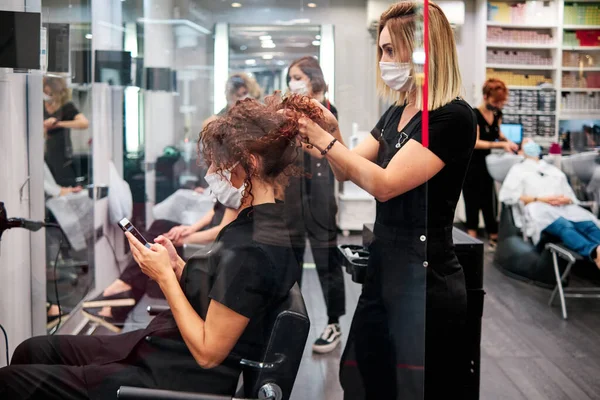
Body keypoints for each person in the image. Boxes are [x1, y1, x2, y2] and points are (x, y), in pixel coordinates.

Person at [0, 96, 328, 399]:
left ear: (251, 165)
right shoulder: (260, 222)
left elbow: (208, 351)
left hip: (173, 375)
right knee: (33, 350)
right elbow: (226, 295)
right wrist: (176, 267)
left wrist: (165, 280)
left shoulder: (253, 248)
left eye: (221, 164)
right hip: (165, 349)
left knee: (10, 381)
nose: (213, 173)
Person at [296, 3, 476, 398]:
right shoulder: (396, 112)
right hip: (386, 269)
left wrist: (325, 139)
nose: (383, 60)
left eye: (390, 50)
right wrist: (330, 129)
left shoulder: (453, 118)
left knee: (410, 388)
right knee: (360, 377)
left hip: (425, 280)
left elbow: (385, 184)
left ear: (422, 52)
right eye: (381, 51)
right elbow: (348, 169)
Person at [81, 204, 239, 332]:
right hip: (204, 232)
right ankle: (119, 301)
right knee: (159, 225)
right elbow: (215, 210)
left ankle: (120, 294)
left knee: (153, 242)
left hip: (215, 244)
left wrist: (185, 239)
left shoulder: (238, 189)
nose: (210, 171)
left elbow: (222, 230)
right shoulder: (228, 187)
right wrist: (188, 229)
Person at [284, 56, 346, 354]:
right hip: (293, 201)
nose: (292, 82)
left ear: (312, 78)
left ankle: (334, 323)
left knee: (327, 263)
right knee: (290, 264)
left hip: (320, 200)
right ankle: (288, 322)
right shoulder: (291, 113)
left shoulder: (327, 112)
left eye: (297, 76)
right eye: (290, 77)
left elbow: (328, 152)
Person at [499, 138, 600, 268]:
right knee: (565, 226)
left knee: (588, 224)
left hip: (564, 206)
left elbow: (570, 195)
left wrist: (566, 199)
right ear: (520, 151)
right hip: (538, 207)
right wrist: (541, 199)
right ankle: (594, 252)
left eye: (532, 142)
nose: (530, 144)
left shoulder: (552, 170)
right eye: (526, 142)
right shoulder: (518, 170)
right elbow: (509, 196)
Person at [462, 78, 518, 248]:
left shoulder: (497, 115)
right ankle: (470, 242)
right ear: (486, 97)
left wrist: (509, 141)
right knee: (472, 202)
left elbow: (497, 132)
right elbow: (475, 142)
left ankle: (494, 237)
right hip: (471, 165)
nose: (499, 105)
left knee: (489, 201)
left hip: (488, 165)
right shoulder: (474, 115)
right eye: (496, 101)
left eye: (501, 102)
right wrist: (501, 144)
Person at [43, 76, 89, 187]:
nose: (48, 96)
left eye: (51, 93)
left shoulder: (66, 107)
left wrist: (58, 124)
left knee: (64, 187)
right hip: (44, 154)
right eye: (45, 92)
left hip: (62, 156)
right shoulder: (40, 105)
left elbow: (84, 123)